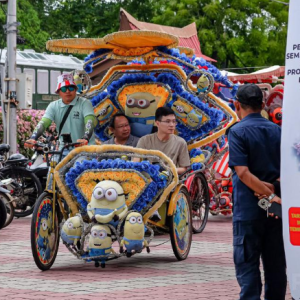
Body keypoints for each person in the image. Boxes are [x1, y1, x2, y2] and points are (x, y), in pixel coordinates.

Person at [227, 84, 286, 300]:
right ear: (262, 105)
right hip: (277, 211)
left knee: (248, 267)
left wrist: (266, 194)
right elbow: (289, 170)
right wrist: (274, 192)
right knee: (276, 267)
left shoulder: (237, 131)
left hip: (248, 210)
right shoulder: (279, 131)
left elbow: (242, 172)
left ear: (236, 105)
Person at [25, 73, 96, 150]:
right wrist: (33, 137)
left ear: (75, 90)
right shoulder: (53, 106)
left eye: (71, 88)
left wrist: (85, 138)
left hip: (85, 149)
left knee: (79, 162)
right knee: (53, 162)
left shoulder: (85, 103)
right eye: (64, 88)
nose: (68, 91)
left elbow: (89, 121)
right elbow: (44, 122)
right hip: (63, 149)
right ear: (59, 92)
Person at [136, 107, 190, 175]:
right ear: (157, 123)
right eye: (167, 121)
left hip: (170, 179)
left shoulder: (180, 142)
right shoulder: (144, 140)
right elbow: (136, 161)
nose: (172, 125)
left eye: (174, 121)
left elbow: (184, 168)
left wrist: (167, 170)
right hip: (148, 179)